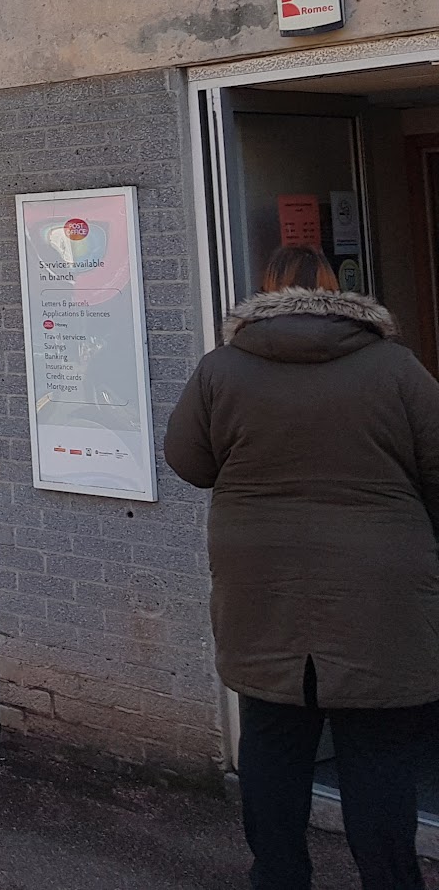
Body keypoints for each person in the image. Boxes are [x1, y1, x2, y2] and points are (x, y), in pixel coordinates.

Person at [166, 244, 439, 890]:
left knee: (272, 738)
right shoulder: (395, 368)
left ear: (263, 295)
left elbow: (188, 462)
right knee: (377, 750)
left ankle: (279, 877)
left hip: (260, 581)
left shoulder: (221, 370)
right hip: (380, 584)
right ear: (335, 291)